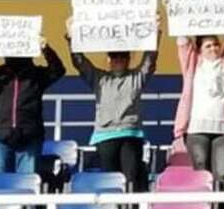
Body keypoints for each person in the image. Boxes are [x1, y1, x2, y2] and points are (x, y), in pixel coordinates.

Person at [65, 16, 161, 191]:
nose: (118, 59)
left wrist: (154, 32)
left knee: (131, 176)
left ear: (128, 59)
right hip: (105, 135)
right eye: (114, 56)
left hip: (130, 132)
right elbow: (79, 62)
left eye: (123, 56)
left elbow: (149, 60)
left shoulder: (136, 77)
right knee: (110, 178)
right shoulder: (98, 78)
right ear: (108, 59)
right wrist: (71, 36)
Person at [173, 30, 224, 209]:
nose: (213, 48)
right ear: (199, 49)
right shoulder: (192, 63)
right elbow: (182, 41)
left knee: (222, 175)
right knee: (201, 175)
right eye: (208, 45)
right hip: (196, 130)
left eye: (215, 44)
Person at [0, 36, 66, 173]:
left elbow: (58, 70)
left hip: (30, 136)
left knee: (28, 186)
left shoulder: (37, 75)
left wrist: (46, 50)